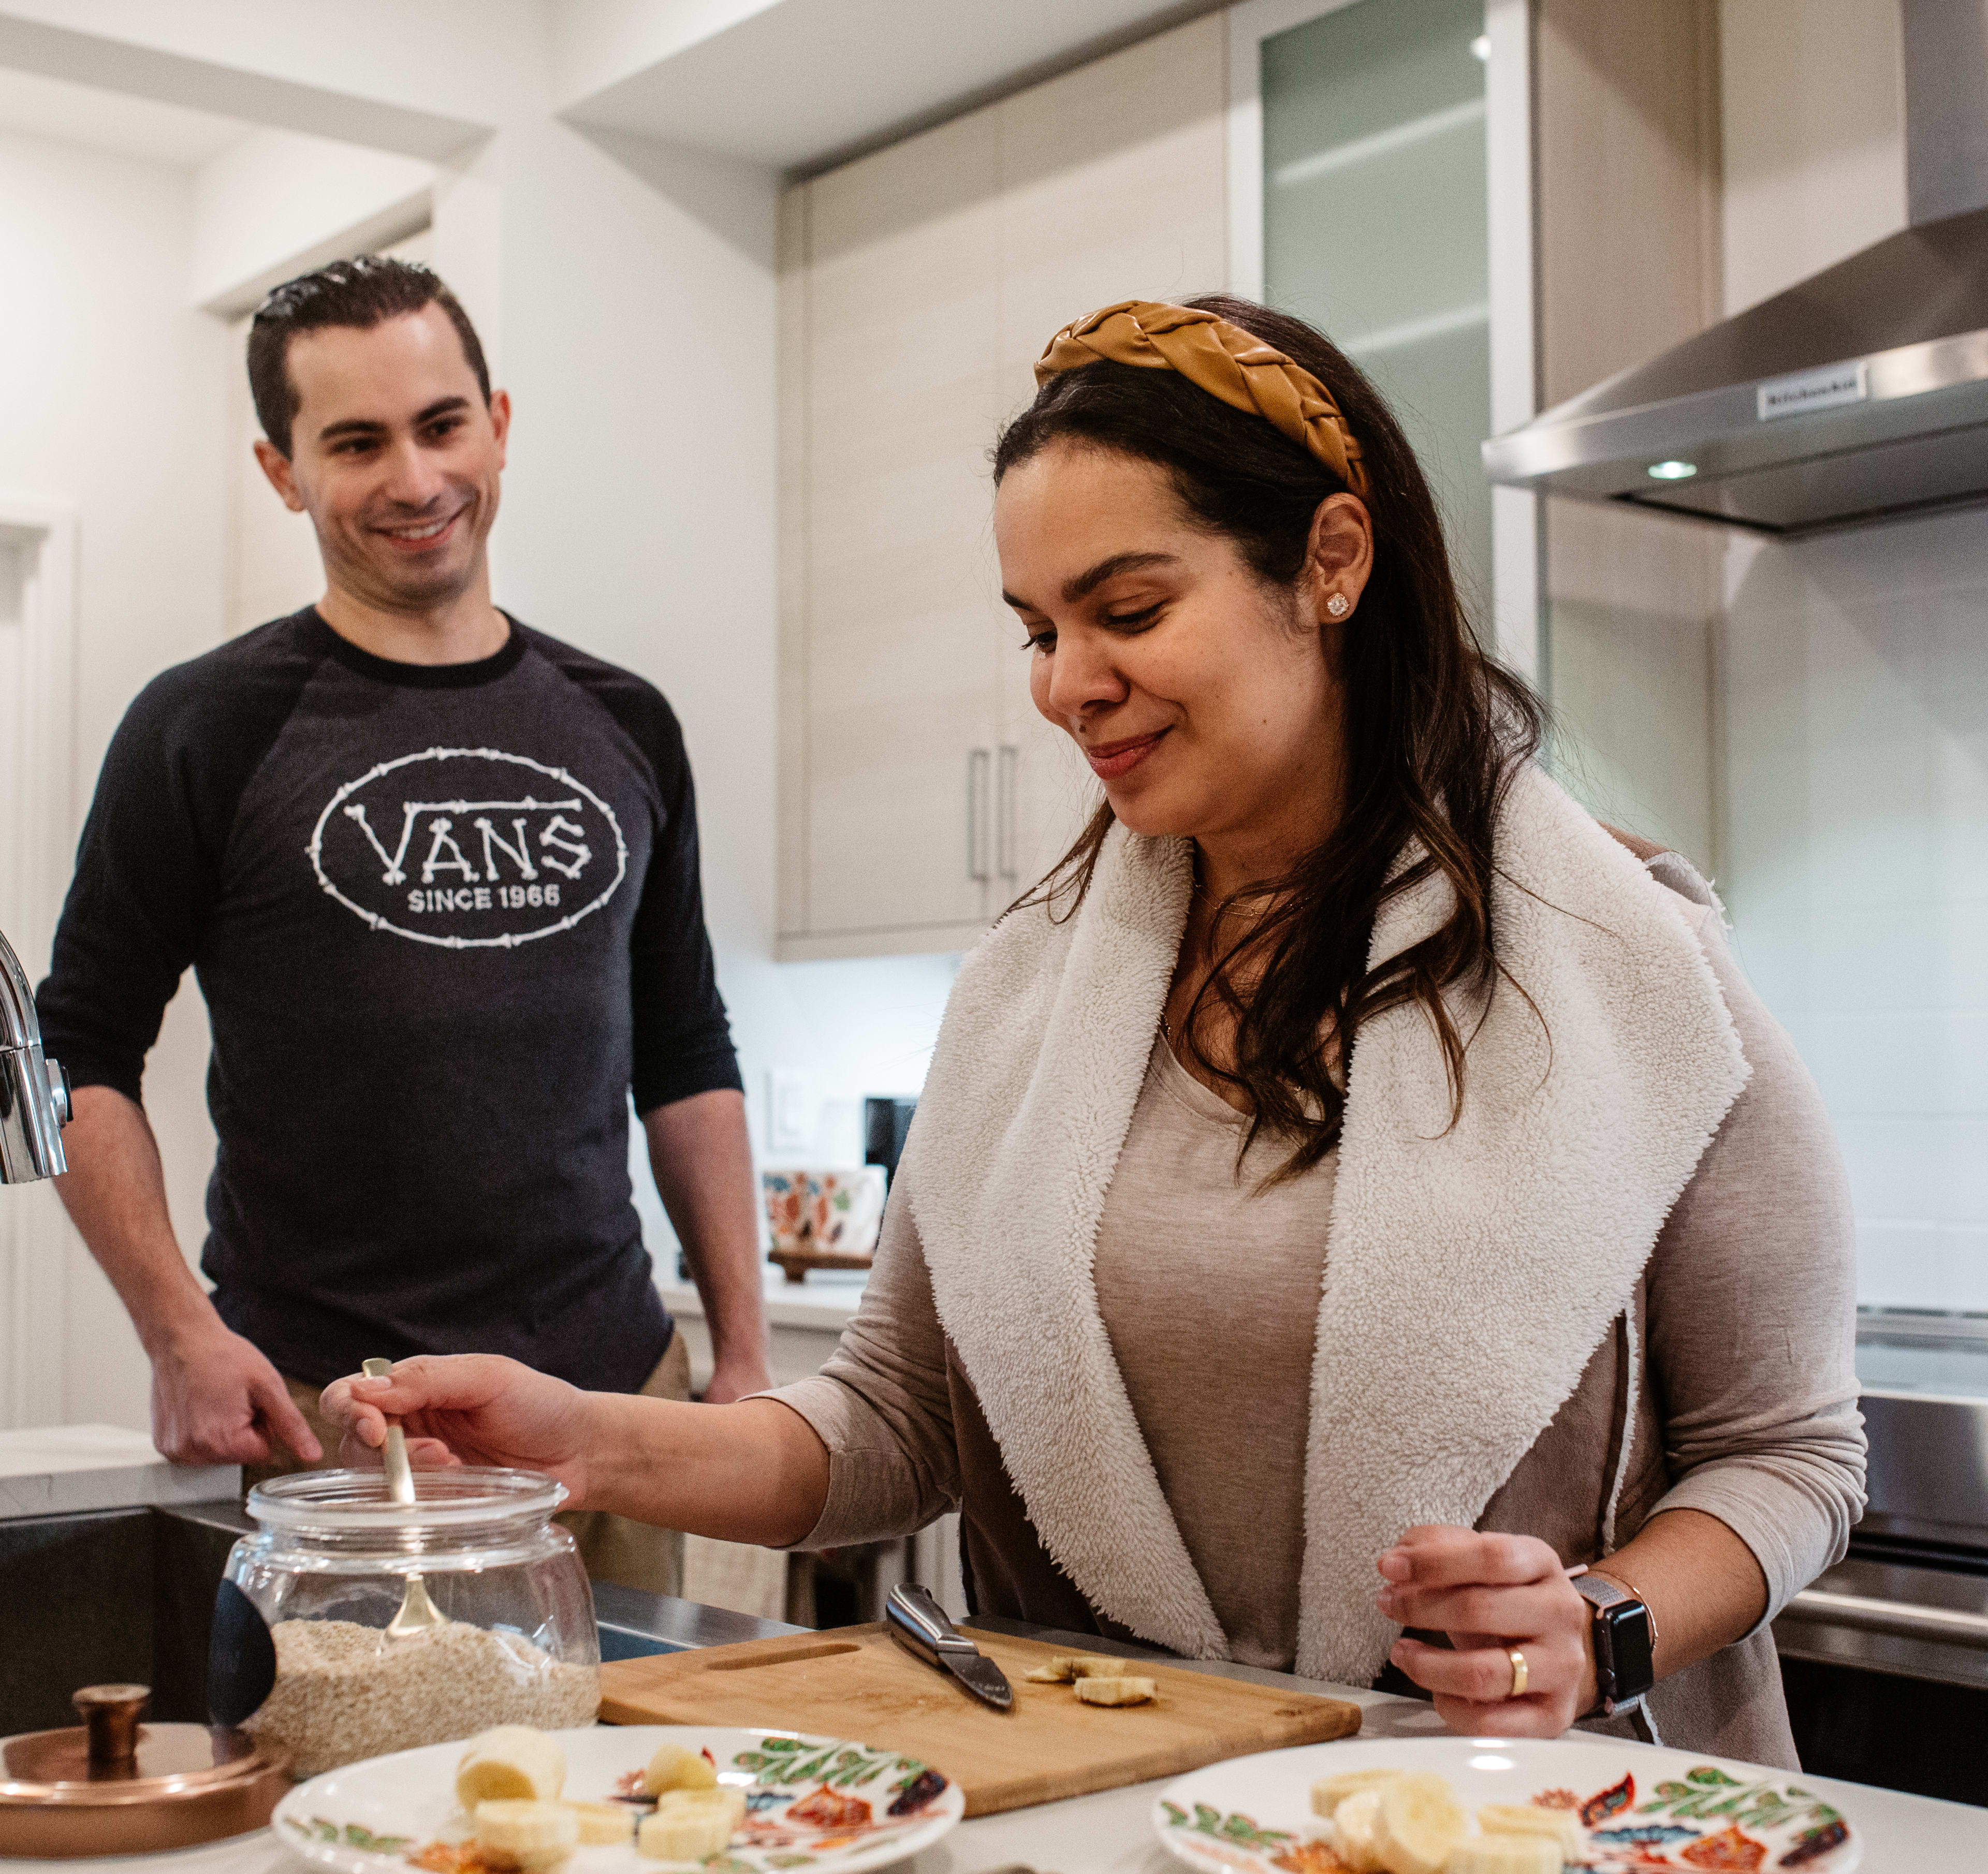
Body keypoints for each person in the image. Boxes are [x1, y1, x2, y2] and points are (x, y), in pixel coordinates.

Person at [321, 297, 1864, 1758]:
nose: (1065, 684)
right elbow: (900, 1412)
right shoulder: (1032, 994)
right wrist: (581, 1441)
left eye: (1127, 609)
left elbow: (1792, 1457)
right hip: (1125, 1798)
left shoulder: (1620, 966)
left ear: (1331, 560)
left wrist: (1599, 1624)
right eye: (1037, 628)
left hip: (1502, 1809)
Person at [38, 256, 771, 1594]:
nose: (417, 479)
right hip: (335, 1426)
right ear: (282, 470)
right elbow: (74, 1047)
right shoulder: (202, 727)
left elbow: (684, 1047)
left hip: (605, 1407)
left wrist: (742, 1347)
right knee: (354, 1799)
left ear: (498, 420)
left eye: (442, 426)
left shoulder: (627, 722)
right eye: (357, 442)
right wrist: (177, 1330)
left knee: (616, 1788)